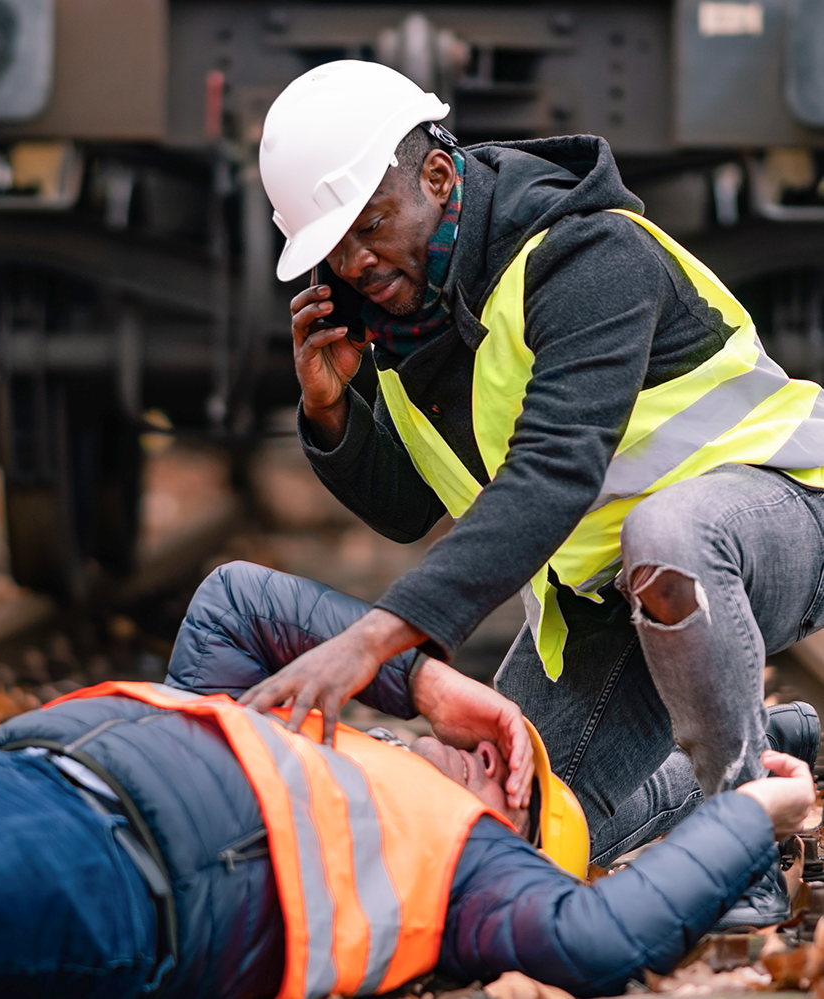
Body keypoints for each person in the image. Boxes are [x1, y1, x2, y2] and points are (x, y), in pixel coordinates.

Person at [0, 425, 816, 998]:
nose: (495, 762)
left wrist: (749, 813)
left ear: (507, 844)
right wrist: (427, 680)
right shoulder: (280, 730)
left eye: (514, 794)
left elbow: (602, 936)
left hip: (90, 878)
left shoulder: (461, 885)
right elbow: (234, 600)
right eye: (511, 757)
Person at [252, 59, 824, 923]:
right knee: (509, 831)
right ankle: (769, 739)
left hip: (780, 519)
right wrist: (332, 415)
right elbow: (411, 508)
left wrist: (372, 639)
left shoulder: (587, 252)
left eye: (371, 224)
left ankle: (740, 837)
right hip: (607, 602)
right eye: (332, 246)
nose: (356, 260)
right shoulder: (407, 320)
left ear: (438, 177)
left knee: (666, 533)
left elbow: (554, 470)